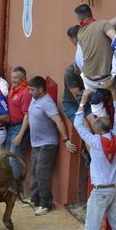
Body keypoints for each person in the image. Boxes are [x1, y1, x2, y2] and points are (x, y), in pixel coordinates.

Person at [73, 79, 116, 230]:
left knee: (92, 226)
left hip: (101, 191)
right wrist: (113, 91)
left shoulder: (95, 142)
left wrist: (83, 101)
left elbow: (78, 123)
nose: (97, 118)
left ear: (96, 129)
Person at [13, 75, 76, 215]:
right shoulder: (34, 99)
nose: (29, 92)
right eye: (29, 89)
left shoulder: (47, 102)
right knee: (35, 171)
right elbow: (28, 116)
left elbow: (58, 121)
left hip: (47, 144)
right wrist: (20, 135)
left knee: (42, 174)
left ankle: (46, 204)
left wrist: (66, 140)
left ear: (41, 89)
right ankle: (35, 200)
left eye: (32, 90)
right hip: (36, 143)